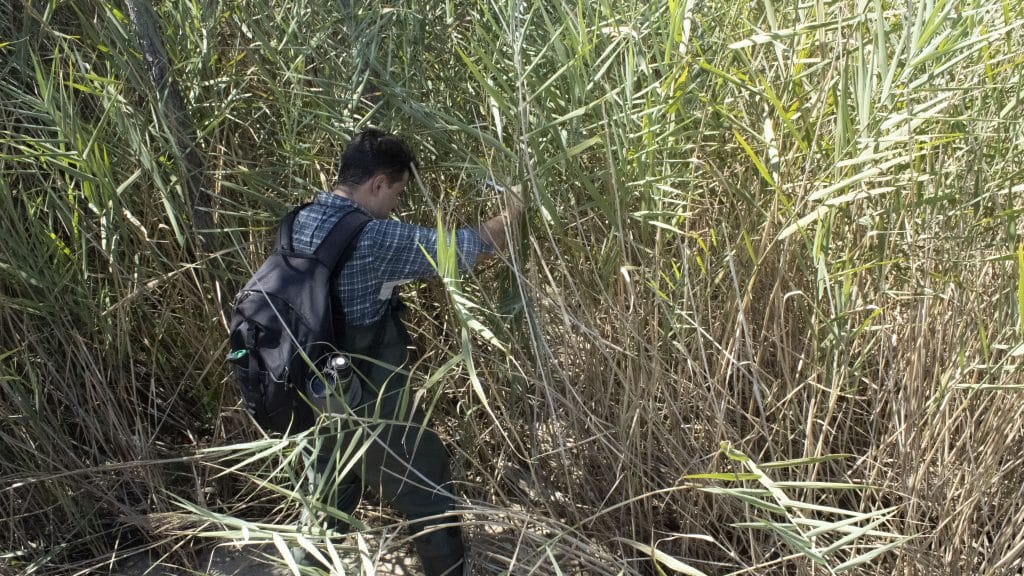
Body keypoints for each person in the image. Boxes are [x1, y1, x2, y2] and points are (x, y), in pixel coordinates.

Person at [288, 128, 519, 575]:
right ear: (378, 183)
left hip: (315, 390)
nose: (396, 205)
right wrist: (518, 204)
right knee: (424, 482)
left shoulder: (297, 221)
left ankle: (309, 567)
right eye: (396, 192)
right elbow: (477, 247)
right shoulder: (373, 238)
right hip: (369, 399)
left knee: (327, 493)